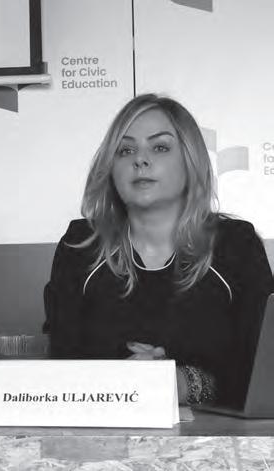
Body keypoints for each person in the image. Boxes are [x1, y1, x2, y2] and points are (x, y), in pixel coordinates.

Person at [43, 94, 274, 406]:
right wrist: (124, 382)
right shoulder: (80, 245)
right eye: (125, 150)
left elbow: (263, 375)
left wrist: (184, 384)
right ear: (111, 168)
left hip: (212, 434)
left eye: (160, 147)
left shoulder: (236, 245)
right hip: (103, 432)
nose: (140, 160)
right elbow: (60, 371)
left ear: (190, 160)